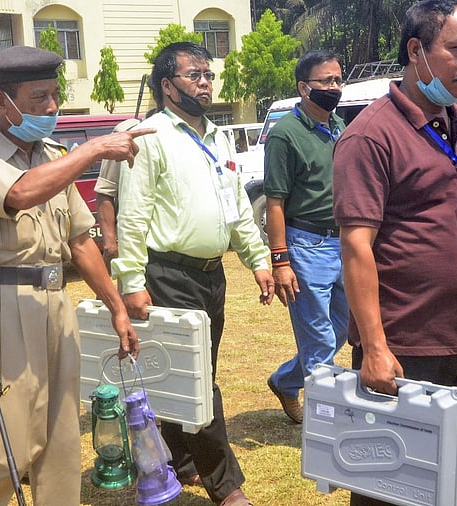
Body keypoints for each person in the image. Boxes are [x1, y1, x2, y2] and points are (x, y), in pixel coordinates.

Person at [332, 1, 457, 505]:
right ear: (416, 51)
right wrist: (376, 349)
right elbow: (356, 245)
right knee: (394, 487)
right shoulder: (369, 136)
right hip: (407, 349)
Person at [0, 45, 142, 505]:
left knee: (60, 438)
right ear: (2, 102)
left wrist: (116, 308)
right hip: (1, 303)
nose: (51, 108)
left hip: (54, 300)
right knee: (9, 442)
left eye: (54, 95)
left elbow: (79, 241)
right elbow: (20, 193)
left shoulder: (51, 155)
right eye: (38, 98)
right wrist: (94, 147)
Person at [113, 41, 273, 506]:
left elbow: (238, 209)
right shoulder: (150, 136)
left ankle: (182, 462)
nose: (205, 83)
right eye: (194, 75)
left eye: (208, 74)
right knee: (199, 381)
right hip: (168, 275)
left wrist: (258, 259)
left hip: (212, 276)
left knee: (193, 375)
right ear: (167, 85)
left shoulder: (218, 137)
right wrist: (132, 282)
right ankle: (227, 486)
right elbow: (133, 216)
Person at [264, 49, 349, 425]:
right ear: (304, 87)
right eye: (325, 81)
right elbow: (275, 203)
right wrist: (280, 261)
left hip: (343, 244)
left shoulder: (339, 127)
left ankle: (286, 381)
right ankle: (325, 426)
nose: (334, 87)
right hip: (306, 246)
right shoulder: (285, 135)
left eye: (337, 80)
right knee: (319, 342)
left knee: (342, 329)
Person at [94, 116, 143, 269]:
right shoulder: (127, 132)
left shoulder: (193, 134)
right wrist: (110, 243)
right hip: (136, 247)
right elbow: (105, 190)